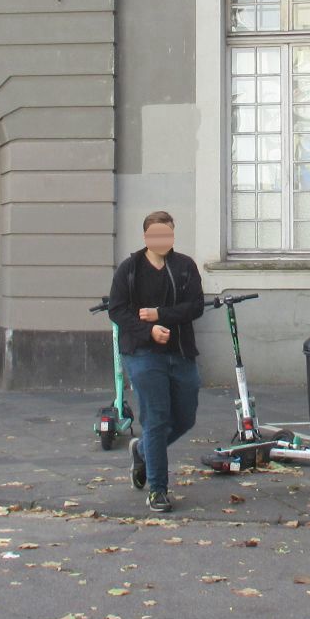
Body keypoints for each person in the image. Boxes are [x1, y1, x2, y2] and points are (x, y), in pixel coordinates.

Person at [105, 211, 204, 514]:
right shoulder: (130, 269)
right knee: (157, 419)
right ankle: (158, 489)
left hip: (181, 352)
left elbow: (195, 306)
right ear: (146, 236)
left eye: (168, 233)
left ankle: (143, 450)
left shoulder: (184, 266)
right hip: (142, 353)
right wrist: (148, 331)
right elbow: (117, 310)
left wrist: (160, 315)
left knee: (185, 418)